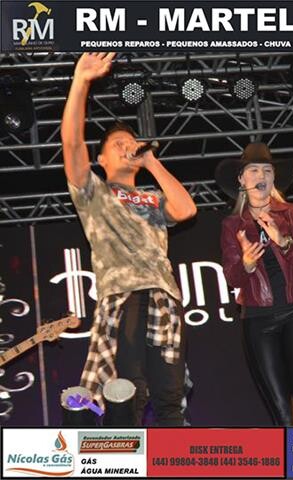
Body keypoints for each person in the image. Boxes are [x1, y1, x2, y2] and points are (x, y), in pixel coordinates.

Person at [62, 52, 197, 426]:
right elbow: (72, 146)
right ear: (101, 159)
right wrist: (81, 82)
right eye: (117, 144)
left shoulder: (152, 199)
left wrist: (151, 162)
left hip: (164, 296)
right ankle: (126, 454)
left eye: (130, 141)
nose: (126, 146)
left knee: (170, 397)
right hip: (123, 296)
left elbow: (186, 210)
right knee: (128, 390)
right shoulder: (94, 192)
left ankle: (174, 456)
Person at [216, 142, 293, 426]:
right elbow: (232, 278)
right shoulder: (232, 225)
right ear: (242, 180)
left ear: (274, 178)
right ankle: (287, 455)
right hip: (258, 319)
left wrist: (283, 241)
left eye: (267, 170)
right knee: (279, 406)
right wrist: (247, 264)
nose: (261, 175)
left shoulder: (292, 212)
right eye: (253, 170)